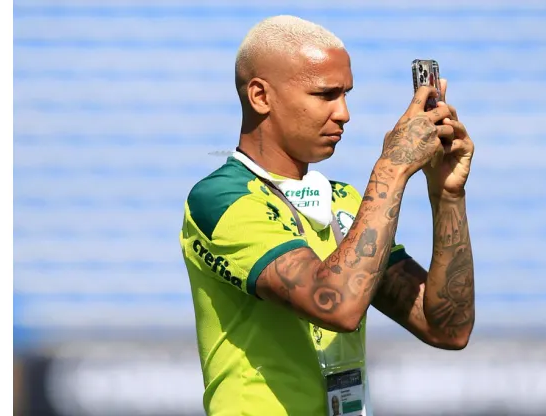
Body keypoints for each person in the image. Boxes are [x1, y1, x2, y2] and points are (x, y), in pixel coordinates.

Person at [179, 15, 476, 416]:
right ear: (260, 96)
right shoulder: (221, 199)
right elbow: (336, 304)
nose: (344, 113)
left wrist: (447, 194)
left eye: (346, 94)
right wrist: (391, 169)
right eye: (325, 94)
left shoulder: (343, 200)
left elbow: (447, 327)